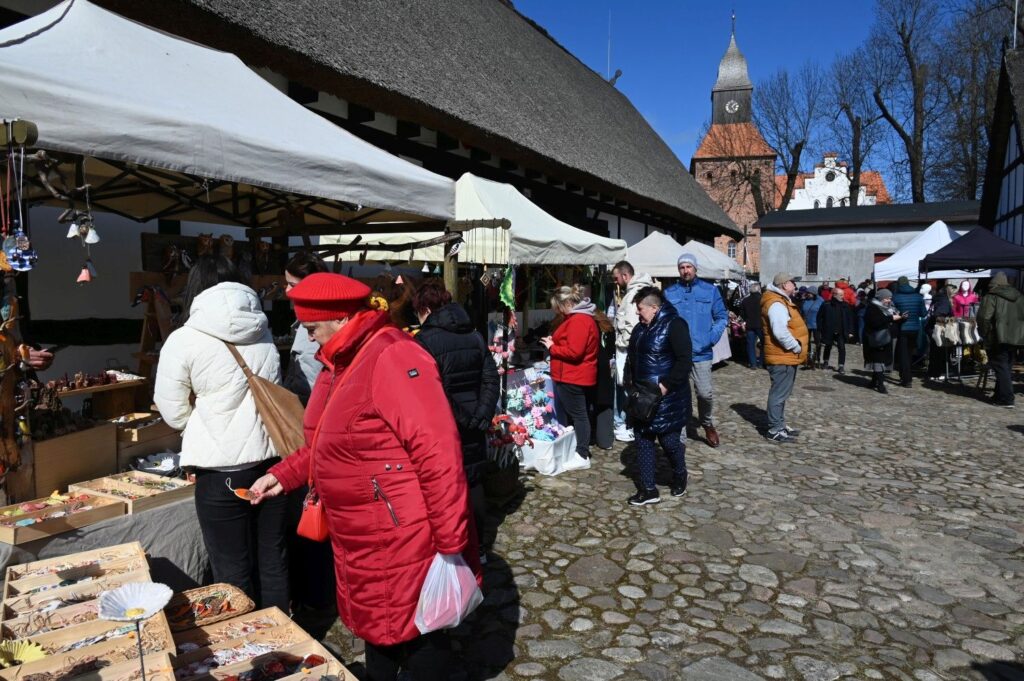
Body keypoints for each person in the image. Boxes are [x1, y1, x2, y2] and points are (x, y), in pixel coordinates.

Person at [249, 273, 478, 681]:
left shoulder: (392, 355)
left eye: (312, 328)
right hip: (365, 530)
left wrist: (450, 541)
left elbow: (438, 451)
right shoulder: (339, 361)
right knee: (382, 629)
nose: (310, 338)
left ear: (338, 319)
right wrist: (284, 475)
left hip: (403, 531)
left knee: (421, 632)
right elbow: (328, 443)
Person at [154, 256, 289, 611]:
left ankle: (246, 649)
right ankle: (284, 638)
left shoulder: (184, 338)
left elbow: (171, 409)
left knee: (230, 567)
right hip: (273, 462)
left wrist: (199, 425)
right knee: (272, 559)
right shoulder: (262, 330)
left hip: (220, 472)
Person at [412, 280, 500, 558]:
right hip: (474, 421)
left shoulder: (423, 341)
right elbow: (490, 378)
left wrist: (465, 417)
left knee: (445, 486)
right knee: (474, 482)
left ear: (425, 309)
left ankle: (452, 545)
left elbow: (430, 389)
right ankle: (481, 547)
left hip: (444, 425)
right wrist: (481, 415)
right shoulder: (474, 335)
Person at [625, 286, 692, 505]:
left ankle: (680, 473)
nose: (637, 313)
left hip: (667, 398)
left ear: (654, 308)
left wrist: (665, 386)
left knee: (670, 442)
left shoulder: (675, 325)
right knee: (643, 440)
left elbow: (684, 361)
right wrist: (629, 384)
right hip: (642, 396)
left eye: (640, 308)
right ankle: (648, 490)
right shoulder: (640, 329)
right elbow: (631, 358)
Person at [664, 253, 728, 448]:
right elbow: (664, 320)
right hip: (677, 354)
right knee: (678, 394)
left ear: (695, 269)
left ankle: (707, 423)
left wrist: (710, 338)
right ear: (678, 270)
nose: (686, 271)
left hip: (701, 352)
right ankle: (680, 431)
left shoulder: (710, 291)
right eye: (682, 267)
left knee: (704, 393)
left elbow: (721, 317)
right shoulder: (669, 293)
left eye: (689, 267)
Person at [541, 285, 598, 460]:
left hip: (573, 376)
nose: (558, 312)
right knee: (580, 414)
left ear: (565, 303)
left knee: (579, 415)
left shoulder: (578, 320)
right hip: (575, 374)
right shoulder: (581, 318)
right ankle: (578, 448)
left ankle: (581, 453)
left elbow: (575, 352)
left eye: (558, 308)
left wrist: (553, 347)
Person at [761, 273, 807, 443]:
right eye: (792, 283)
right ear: (783, 285)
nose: (795, 285)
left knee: (782, 393)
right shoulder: (776, 304)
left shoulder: (780, 300)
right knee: (779, 393)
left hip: (785, 355)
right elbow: (780, 331)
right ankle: (774, 429)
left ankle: (780, 425)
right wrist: (796, 346)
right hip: (782, 355)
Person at [611, 261, 654, 442]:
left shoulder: (632, 295)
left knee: (624, 386)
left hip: (627, 349)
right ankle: (629, 421)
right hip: (635, 348)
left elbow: (630, 326)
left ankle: (624, 423)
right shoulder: (642, 292)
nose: (615, 282)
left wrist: (621, 343)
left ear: (625, 275)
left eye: (616, 278)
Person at [283, 252, 330, 405]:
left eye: (293, 285)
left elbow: (312, 384)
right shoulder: (305, 322)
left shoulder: (319, 324)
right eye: (287, 284)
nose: (287, 290)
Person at [978, 272, 1024, 408]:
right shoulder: (1019, 296)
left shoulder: (992, 297)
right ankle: (999, 395)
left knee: (1000, 365)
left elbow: (984, 318)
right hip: (1017, 337)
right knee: (1005, 366)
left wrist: (985, 333)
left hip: (998, 336)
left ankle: (1006, 398)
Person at [863, 289, 906, 394]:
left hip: (885, 337)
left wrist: (902, 317)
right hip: (875, 338)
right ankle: (880, 385)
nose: (889, 300)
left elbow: (891, 319)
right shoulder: (872, 308)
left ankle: (873, 381)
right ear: (881, 298)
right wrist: (891, 318)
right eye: (887, 298)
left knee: (880, 360)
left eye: (890, 298)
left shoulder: (888, 308)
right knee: (878, 360)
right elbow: (876, 322)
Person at [892, 276, 925, 387]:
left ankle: (906, 379)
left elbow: (893, 313)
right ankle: (906, 375)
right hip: (915, 328)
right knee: (910, 353)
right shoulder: (918, 297)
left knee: (903, 354)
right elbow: (923, 314)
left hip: (902, 328)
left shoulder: (895, 297)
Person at [817, 286, 848, 374]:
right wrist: (820, 328)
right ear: (834, 295)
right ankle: (825, 362)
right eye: (841, 295)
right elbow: (819, 317)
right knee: (828, 346)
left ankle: (841, 365)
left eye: (843, 295)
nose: (843, 297)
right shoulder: (826, 304)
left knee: (842, 348)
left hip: (841, 331)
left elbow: (849, 319)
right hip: (828, 330)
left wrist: (850, 331)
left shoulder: (845, 305)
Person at [739, 283, 764, 369]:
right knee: (764, 344)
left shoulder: (745, 300)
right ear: (758, 290)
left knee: (750, 345)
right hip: (761, 325)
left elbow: (742, 314)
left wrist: (746, 319)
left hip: (750, 325)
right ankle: (761, 362)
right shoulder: (762, 299)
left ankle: (753, 363)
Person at [801, 288, 823, 369]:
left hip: (816, 325)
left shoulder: (820, 301)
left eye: (810, 293)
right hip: (806, 324)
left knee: (818, 342)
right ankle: (808, 357)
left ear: (814, 293)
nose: (808, 294)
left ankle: (817, 358)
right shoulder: (805, 300)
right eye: (807, 293)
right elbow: (801, 312)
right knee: (807, 342)